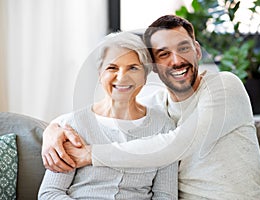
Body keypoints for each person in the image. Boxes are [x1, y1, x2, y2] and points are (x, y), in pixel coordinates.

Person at [41, 15, 260, 199]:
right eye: (164, 54)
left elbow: (177, 145)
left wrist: (90, 154)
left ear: (197, 51)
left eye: (184, 48)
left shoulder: (225, 86)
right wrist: (52, 129)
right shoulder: (158, 106)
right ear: (153, 66)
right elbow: (104, 115)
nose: (176, 60)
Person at [38, 31, 178, 199]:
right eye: (112, 67)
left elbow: (165, 195)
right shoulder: (72, 126)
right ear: (100, 73)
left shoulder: (164, 128)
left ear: (145, 75)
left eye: (133, 68)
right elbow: (50, 193)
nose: (122, 77)